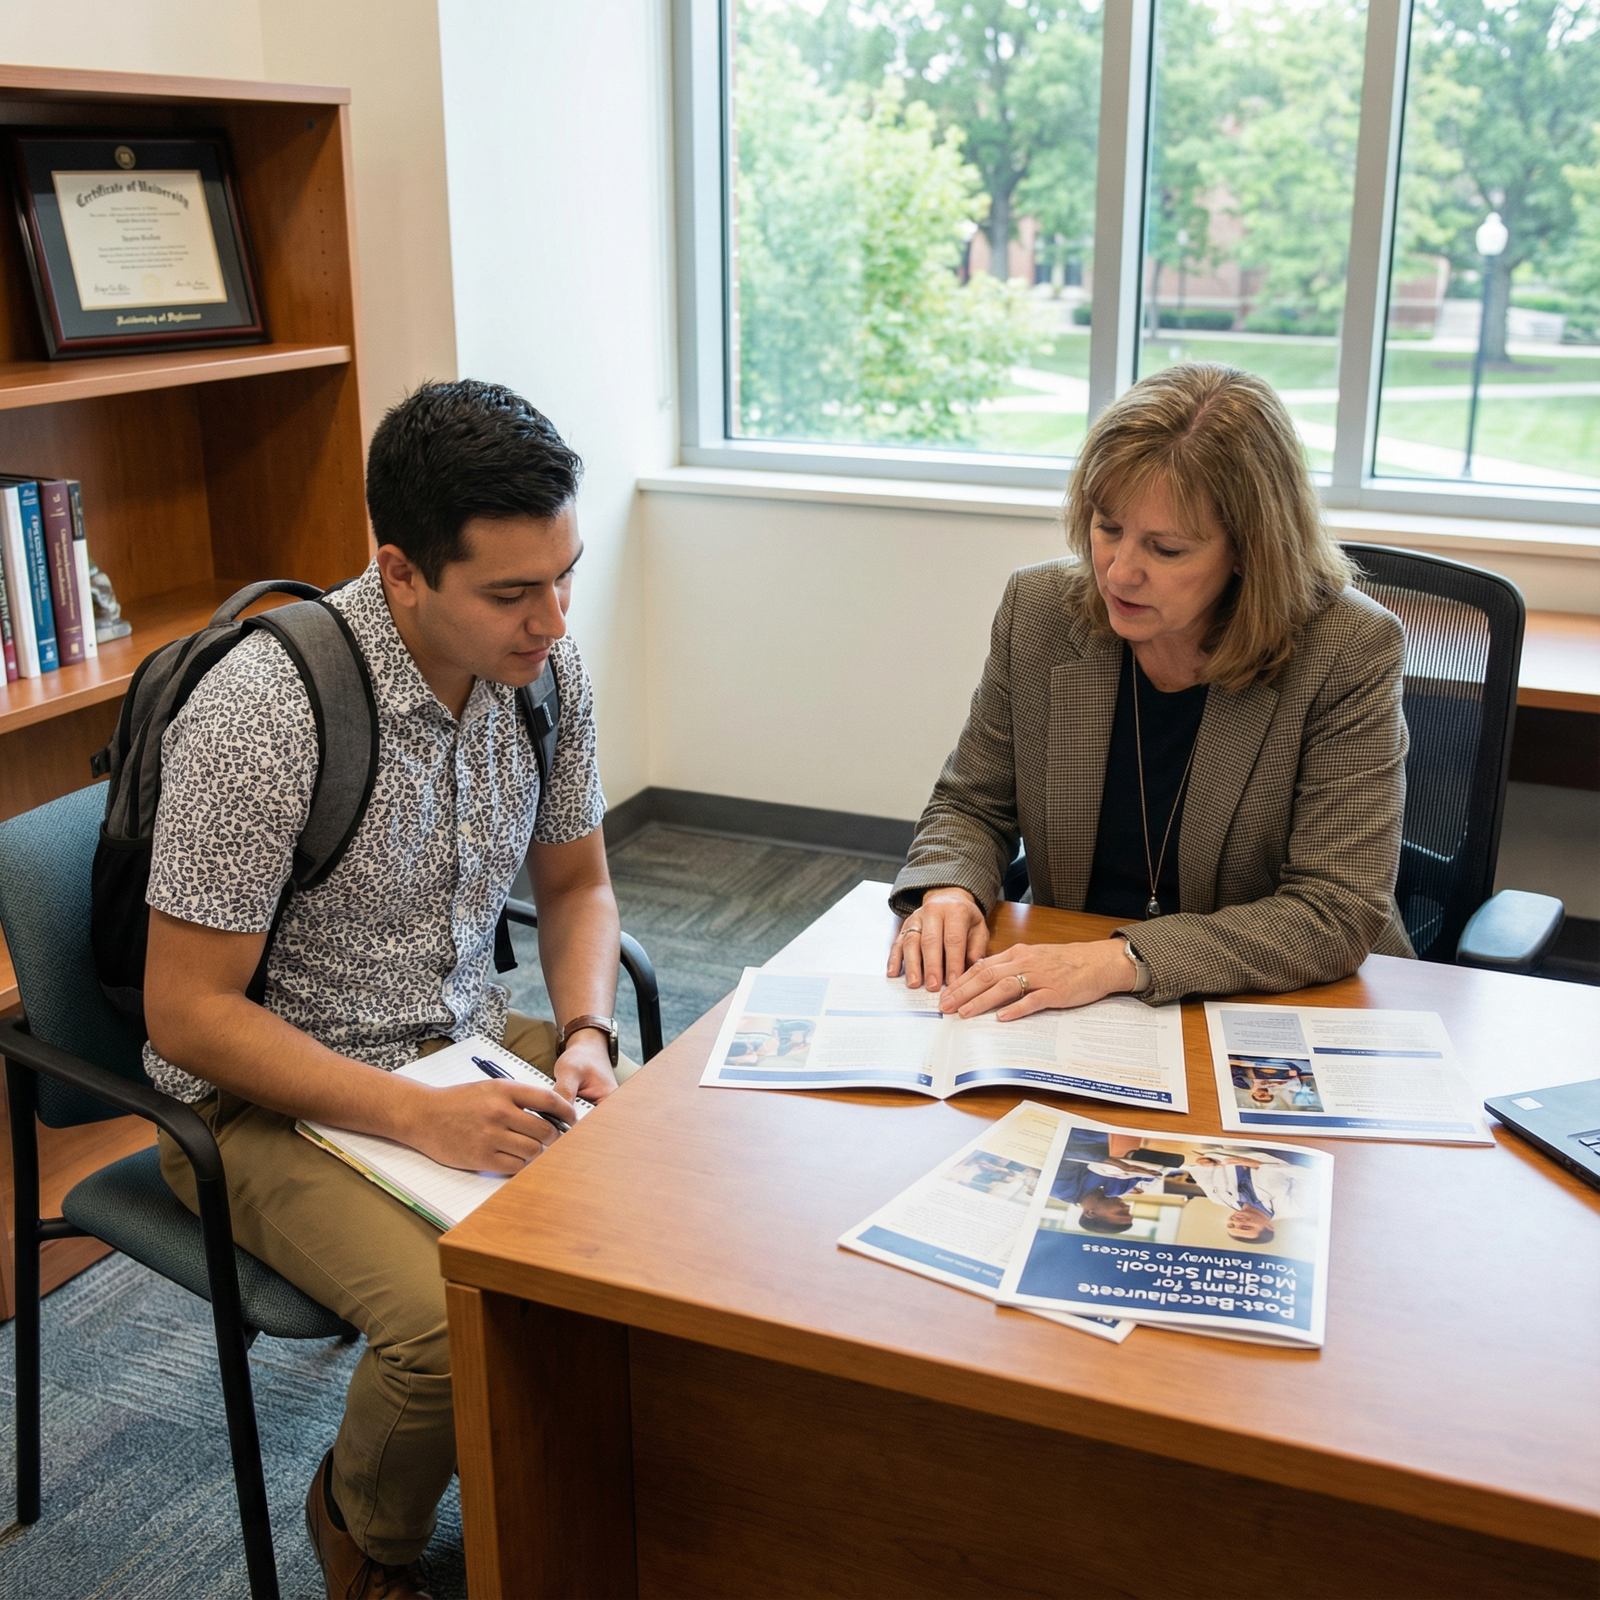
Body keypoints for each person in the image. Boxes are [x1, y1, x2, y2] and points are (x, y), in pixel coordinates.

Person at [142, 381, 635, 1600]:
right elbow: (187, 1014)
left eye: (565, 576)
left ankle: (578, 1480)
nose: (551, 619)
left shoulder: (544, 670)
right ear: (401, 571)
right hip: (260, 1098)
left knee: (668, 1194)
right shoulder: (264, 711)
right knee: (445, 1327)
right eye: (512, 593)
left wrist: (584, 1030)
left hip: (461, 1039)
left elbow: (578, 886)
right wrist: (417, 1115)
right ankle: (359, 1527)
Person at [886, 362, 1413, 1016]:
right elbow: (973, 802)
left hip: (1272, 1000)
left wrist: (1120, 960)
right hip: (1074, 993)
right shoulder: (1041, 609)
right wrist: (949, 890)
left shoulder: (1346, 648)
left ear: (1249, 550)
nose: (1119, 572)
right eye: (1108, 528)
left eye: (1166, 550)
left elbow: (1333, 909)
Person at [1183, 1151, 1315, 1243]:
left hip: (1221, 1147)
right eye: (1246, 1227)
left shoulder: (1218, 1198)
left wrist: (1203, 1163)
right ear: (1269, 1226)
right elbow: (1309, 1177)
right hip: (1270, 1149)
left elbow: (1198, 1170)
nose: (1237, 1222)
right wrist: (1261, 1165)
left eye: (1231, 1225)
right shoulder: (1296, 1208)